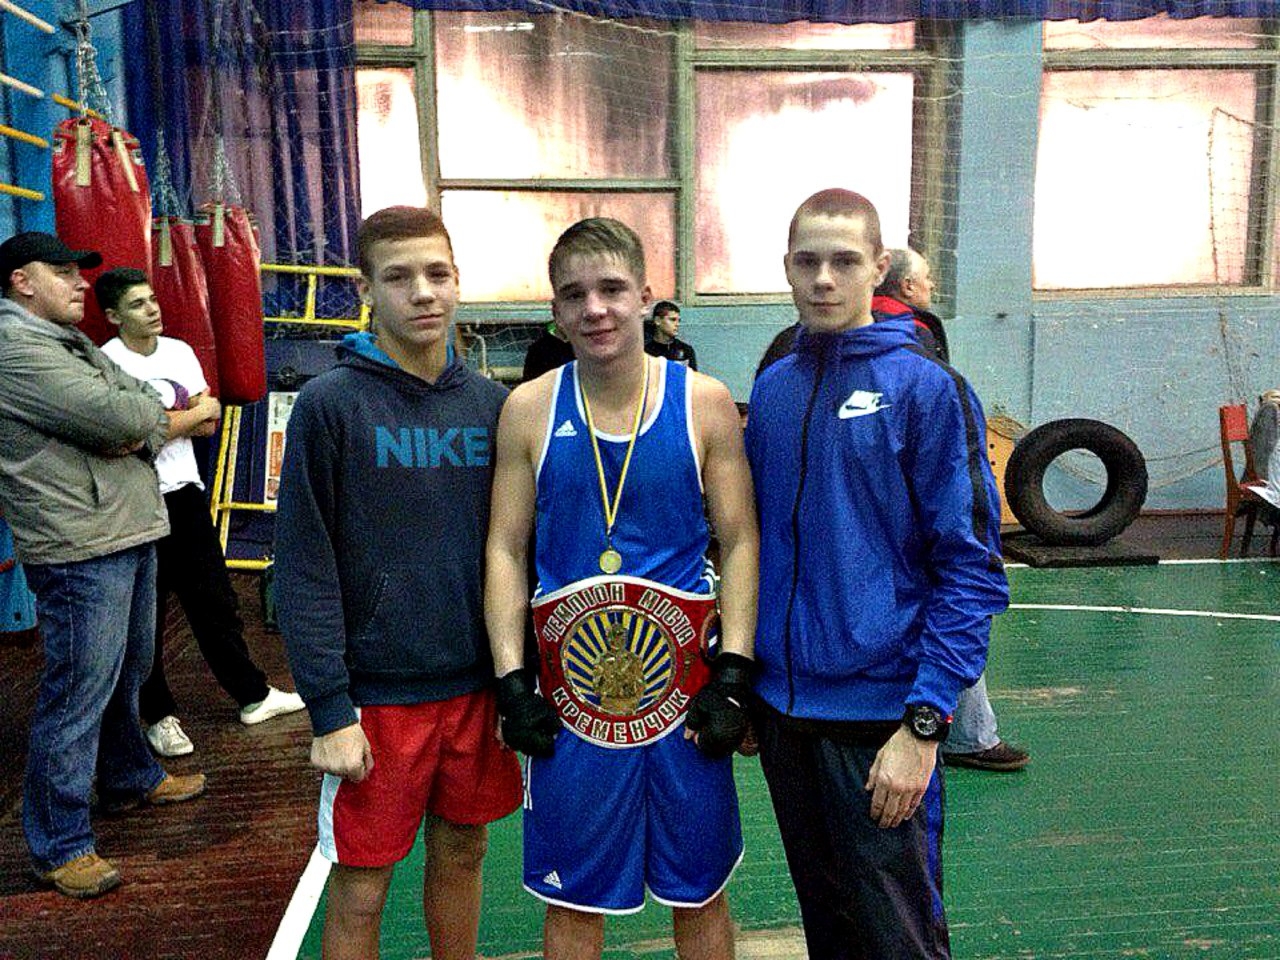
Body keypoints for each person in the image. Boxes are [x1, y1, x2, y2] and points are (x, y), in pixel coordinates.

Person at [745, 190, 1009, 959]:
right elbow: (756, 544)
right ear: (787, 268)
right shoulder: (775, 387)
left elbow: (971, 570)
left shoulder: (928, 389)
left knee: (899, 940)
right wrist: (750, 681)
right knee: (830, 931)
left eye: (844, 261)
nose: (824, 278)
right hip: (786, 719)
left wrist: (925, 726)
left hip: (883, 721)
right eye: (808, 261)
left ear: (878, 267)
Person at [485, 217, 758, 960]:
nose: (595, 308)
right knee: (573, 902)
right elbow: (505, 549)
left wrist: (735, 674)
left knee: (700, 894)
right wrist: (511, 683)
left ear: (645, 294)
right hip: (572, 705)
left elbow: (740, 541)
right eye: (574, 295)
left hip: (684, 698)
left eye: (611, 289)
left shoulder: (702, 401)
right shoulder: (528, 408)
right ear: (555, 310)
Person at [274, 206, 522, 960]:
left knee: (465, 853)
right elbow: (304, 564)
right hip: (376, 699)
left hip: (476, 689)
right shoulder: (329, 405)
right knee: (362, 884)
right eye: (399, 277)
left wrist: (519, 680)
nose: (423, 293)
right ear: (365, 290)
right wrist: (328, 709)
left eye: (437, 274)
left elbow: (518, 553)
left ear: (458, 281)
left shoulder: (494, 406)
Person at [0, 232, 206, 900]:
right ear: (22, 281)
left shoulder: (67, 341)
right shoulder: (15, 348)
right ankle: (59, 844)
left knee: (128, 670)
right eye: (62, 273)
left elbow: (137, 398)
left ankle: (128, 776)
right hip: (78, 542)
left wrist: (142, 419)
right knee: (76, 692)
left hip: (124, 524)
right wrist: (151, 419)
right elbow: (121, 416)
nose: (79, 283)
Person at [96, 267, 305, 757]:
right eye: (137, 304)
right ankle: (159, 716)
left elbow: (209, 423)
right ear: (113, 316)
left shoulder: (179, 352)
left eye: (152, 299)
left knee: (215, 598)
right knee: (146, 614)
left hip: (185, 493)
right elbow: (127, 438)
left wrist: (163, 424)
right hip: (136, 500)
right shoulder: (106, 363)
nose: (152, 309)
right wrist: (185, 417)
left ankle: (253, 694)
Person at [874, 249, 1030, 773]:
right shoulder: (911, 345)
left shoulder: (899, 340)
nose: (932, 285)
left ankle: (967, 731)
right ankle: (968, 735)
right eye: (924, 278)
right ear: (903, 286)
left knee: (953, 606)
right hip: (916, 522)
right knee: (954, 601)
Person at [644, 299, 698, 369]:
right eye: (673, 320)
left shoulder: (686, 350)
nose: (677, 324)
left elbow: (693, 375)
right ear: (657, 320)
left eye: (679, 321)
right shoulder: (645, 352)